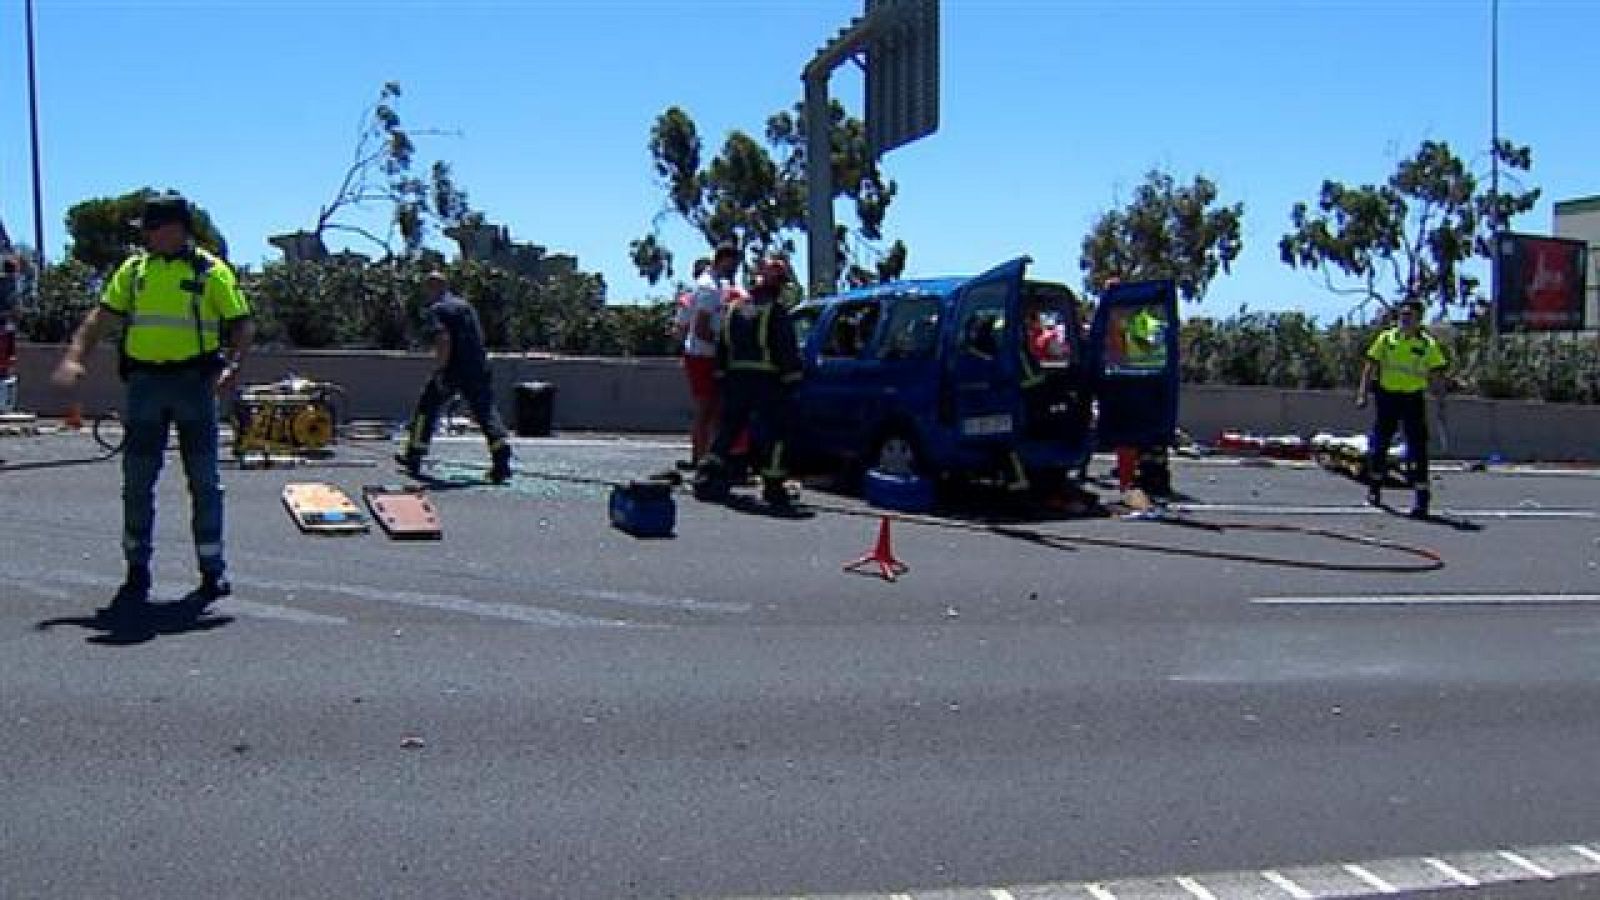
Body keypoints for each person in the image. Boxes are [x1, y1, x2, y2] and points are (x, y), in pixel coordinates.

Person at [51, 192, 255, 619]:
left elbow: (242, 324)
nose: (145, 235)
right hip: (145, 385)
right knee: (137, 481)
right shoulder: (135, 270)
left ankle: (211, 569)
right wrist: (74, 357)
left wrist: (233, 368)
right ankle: (136, 570)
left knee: (203, 481)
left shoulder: (210, 272)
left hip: (194, 385)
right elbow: (100, 318)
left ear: (175, 229)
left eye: (151, 227)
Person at [694, 257, 803, 508]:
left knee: (727, 432)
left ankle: (709, 478)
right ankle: (774, 488)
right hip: (767, 382)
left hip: (735, 382)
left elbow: (722, 346)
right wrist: (793, 379)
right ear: (775, 284)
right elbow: (785, 350)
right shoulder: (775, 312)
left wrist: (722, 377)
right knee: (775, 434)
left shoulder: (734, 309)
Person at [396, 271, 513, 482]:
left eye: (427, 289)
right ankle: (501, 456)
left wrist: (440, 370)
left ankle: (414, 455)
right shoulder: (466, 306)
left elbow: (443, 340)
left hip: (453, 368)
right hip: (478, 366)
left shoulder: (438, 309)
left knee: (427, 407)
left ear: (433, 288)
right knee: (484, 411)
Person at [1357, 298, 1449, 517]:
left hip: (1412, 399)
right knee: (1379, 445)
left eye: (1410, 316)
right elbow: (1370, 366)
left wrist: (1440, 399)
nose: (1405, 320)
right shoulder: (1387, 339)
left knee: (1417, 449)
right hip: (1387, 397)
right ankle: (1375, 489)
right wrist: (1362, 393)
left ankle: (1421, 500)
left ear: (1419, 320)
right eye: (1402, 315)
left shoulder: (1427, 345)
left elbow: (1436, 375)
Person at [676, 245, 738, 469]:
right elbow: (701, 328)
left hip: (708, 356)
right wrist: (724, 345)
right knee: (706, 408)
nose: (734, 268)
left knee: (715, 409)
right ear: (723, 260)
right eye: (732, 263)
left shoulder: (718, 286)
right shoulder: (708, 288)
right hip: (702, 356)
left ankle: (709, 457)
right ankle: (699, 458)